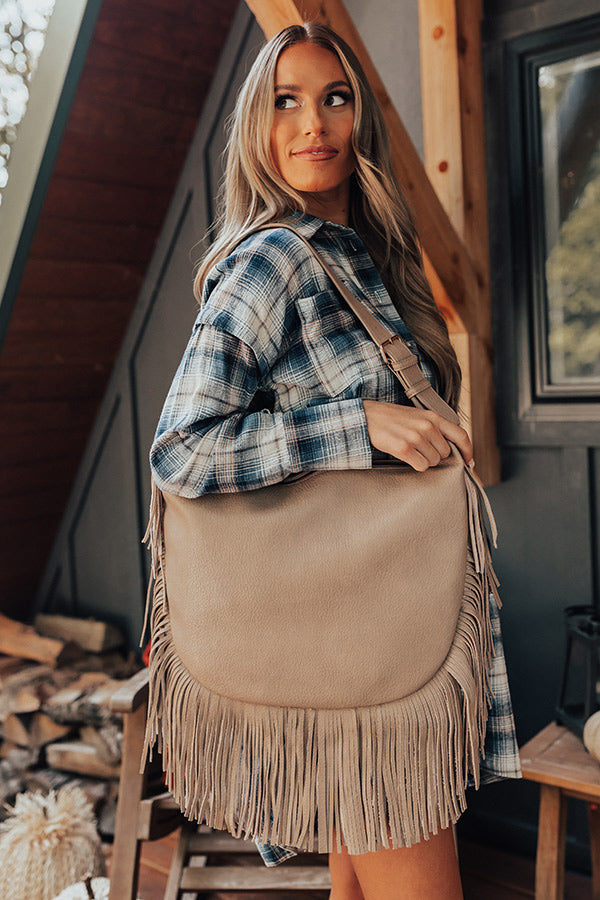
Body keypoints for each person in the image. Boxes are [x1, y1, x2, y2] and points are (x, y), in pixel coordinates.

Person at [149, 22, 522, 900]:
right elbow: (180, 448)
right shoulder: (272, 261)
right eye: (286, 101)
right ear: (256, 127)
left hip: (380, 628)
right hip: (362, 647)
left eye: (334, 97)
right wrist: (360, 426)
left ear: (361, 118)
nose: (312, 123)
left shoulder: (360, 261)